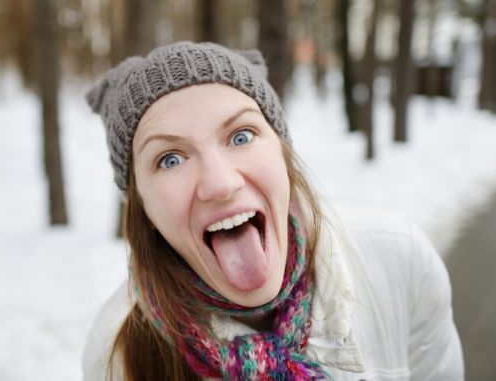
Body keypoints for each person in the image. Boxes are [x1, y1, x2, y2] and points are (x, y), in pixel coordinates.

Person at [82, 41, 463, 380]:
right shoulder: (113, 352)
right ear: (142, 207)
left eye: (241, 136)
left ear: (282, 153)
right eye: (169, 159)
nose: (220, 183)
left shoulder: (399, 259)